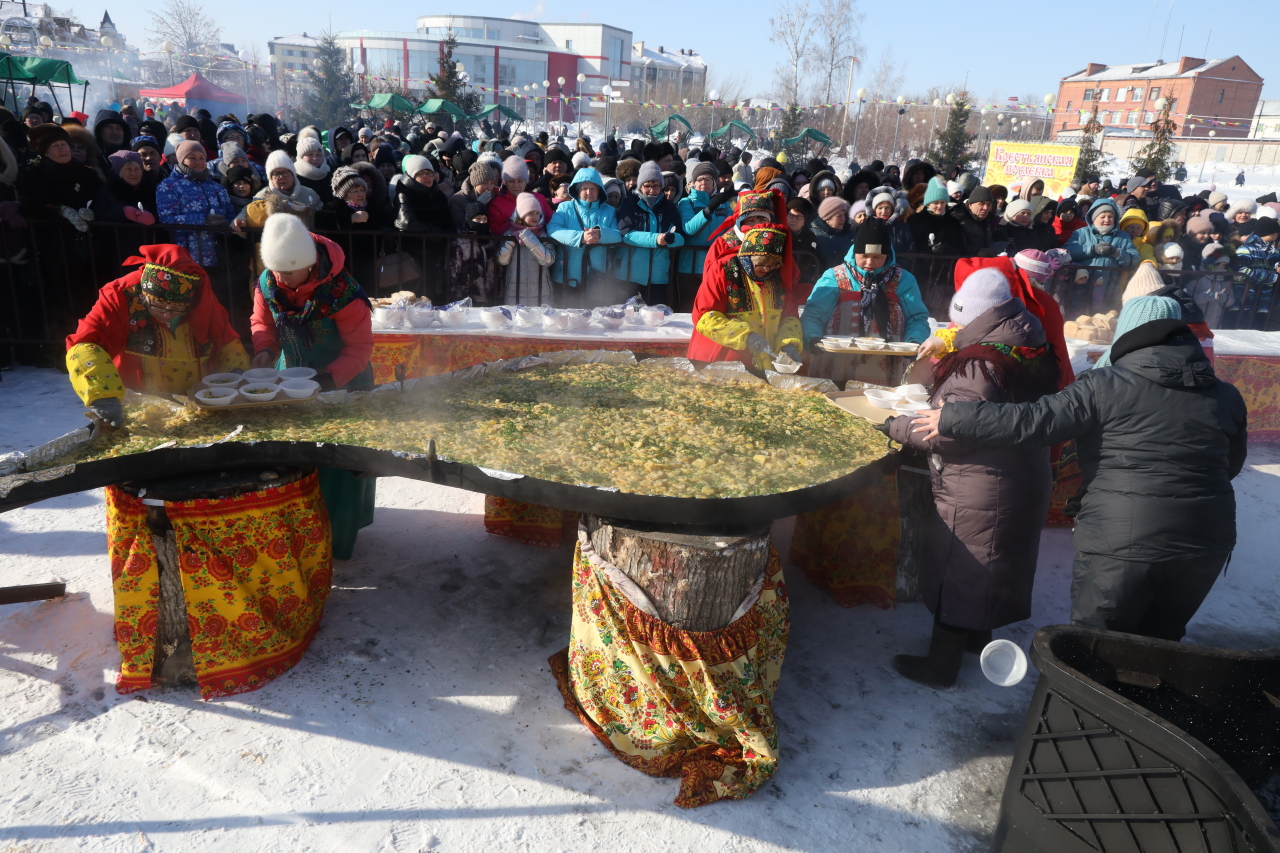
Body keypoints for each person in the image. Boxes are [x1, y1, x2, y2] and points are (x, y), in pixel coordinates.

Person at [910, 296, 1247, 642]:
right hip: (1208, 543)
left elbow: (1031, 421)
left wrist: (954, 416)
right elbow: (1230, 466)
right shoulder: (1226, 394)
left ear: (1127, 335)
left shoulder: (1106, 385)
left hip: (1124, 542)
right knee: (1160, 645)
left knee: (1096, 647)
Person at [882, 269, 1061, 689]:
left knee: (962, 566)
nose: (953, 329)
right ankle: (977, 638)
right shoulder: (1027, 342)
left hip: (981, 483)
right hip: (1023, 474)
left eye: (958, 322)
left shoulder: (978, 364)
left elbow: (949, 433)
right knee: (994, 566)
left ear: (976, 317)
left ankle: (940, 666)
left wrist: (894, 426)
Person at [250, 214, 375, 560]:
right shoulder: (268, 282)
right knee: (293, 458)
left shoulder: (343, 293)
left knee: (339, 461)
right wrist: (263, 349)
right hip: (290, 374)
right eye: (277, 271)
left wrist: (326, 381)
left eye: (290, 272)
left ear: (310, 265)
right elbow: (261, 320)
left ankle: (337, 540)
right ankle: (294, 537)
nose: (282, 278)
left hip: (343, 379)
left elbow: (360, 350)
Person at [65, 244, 249, 424]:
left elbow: (225, 339)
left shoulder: (201, 298)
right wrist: (103, 396)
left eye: (177, 309)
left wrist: (238, 373)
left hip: (195, 407)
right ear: (145, 294)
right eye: (158, 306)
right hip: (138, 409)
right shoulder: (119, 295)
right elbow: (84, 345)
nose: (167, 314)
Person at [686, 224, 803, 370]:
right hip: (724, 361)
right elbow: (705, 317)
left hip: (766, 363)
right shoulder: (723, 270)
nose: (766, 270)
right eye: (761, 265)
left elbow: (790, 317)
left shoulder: (779, 276)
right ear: (747, 256)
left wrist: (789, 344)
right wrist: (746, 335)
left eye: (772, 265)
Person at [801, 216, 929, 347]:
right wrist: (813, 338)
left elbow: (916, 319)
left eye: (877, 257)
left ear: (887, 255)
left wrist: (914, 341)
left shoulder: (902, 279)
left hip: (888, 358)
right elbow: (814, 315)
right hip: (839, 358)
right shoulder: (835, 277)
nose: (869, 262)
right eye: (864, 256)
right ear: (855, 252)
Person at [547, 167, 622, 304]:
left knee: (595, 321)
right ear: (577, 190)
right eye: (584, 189)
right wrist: (581, 237)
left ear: (600, 190)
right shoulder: (565, 208)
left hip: (597, 277)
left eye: (593, 188)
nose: (589, 192)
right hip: (567, 276)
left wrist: (600, 234)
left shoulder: (610, 211)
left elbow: (618, 235)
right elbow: (552, 229)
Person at [155, 139, 236, 268]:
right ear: (181, 160)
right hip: (186, 258)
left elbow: (231, 216)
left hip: (219, 256)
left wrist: (226, 224)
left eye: (202, 158)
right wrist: (204, 220)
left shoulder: (217, 187)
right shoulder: (168, 185)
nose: (198, 162)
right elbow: (166, 219)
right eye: (192, 158)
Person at [616, 161, 685, 305]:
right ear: (640, 186)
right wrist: (656, 239)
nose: (652, 190)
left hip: (658, 275)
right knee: (627, 320)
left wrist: (673, 239)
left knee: (655, 320)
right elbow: (627, 234)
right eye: (648, 185)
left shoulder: (669, 206)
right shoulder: (629, 203)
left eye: (656, 185)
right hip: (629, 274)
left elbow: (681, 236)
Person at [497, 192, 556, 304]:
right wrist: (511, 241)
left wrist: (529, 238)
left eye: (537, 213)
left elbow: (548, 260)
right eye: (530, 213)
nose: (535, 217)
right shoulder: (510, 233)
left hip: (541, 293)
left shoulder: (543, 234)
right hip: (514, 292)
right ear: (521, 215)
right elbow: (502, 260)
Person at [907, 178, 964, 255]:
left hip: (947, 265)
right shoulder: (915, 220)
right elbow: (910, 246)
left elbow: (960, 248)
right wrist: (929, 250)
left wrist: (948, 250)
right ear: (928, 203)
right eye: (936, 203)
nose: (939, 206)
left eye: (942, 202)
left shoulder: (954, 222)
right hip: (921, 265)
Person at [951, 185, 998, 256]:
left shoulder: (987, 220)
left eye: (988, 204)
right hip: (963, 264)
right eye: (981, 204)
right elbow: (957, 247)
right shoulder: (959, 219)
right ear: (970, 205)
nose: (985, 208)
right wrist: (978, 252)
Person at [811, 196, 855, 268]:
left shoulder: (851, 233)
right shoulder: (813, 234)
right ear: (827, 217)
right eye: (839, 216)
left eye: (844, 215)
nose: (843, 219)